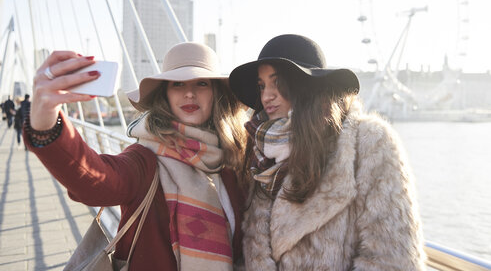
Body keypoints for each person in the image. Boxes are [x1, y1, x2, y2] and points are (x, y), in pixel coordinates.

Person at [24, 43, 248, 270]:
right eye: (178, 84)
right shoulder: (144, 160)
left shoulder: (234, 159)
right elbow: (97, 179)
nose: (189, 93)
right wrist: (46, 121)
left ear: (216, 93)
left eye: (201, 83)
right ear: (165, 94)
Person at [229, 34, 426, 270]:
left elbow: (392, 258)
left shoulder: (368, 142)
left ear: (306, 85)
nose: (266, 96)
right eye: (262, 86)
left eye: (277, 82)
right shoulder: (261, 157)